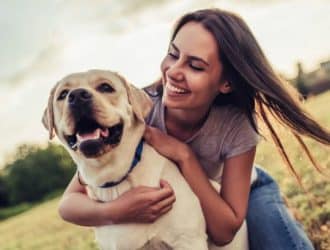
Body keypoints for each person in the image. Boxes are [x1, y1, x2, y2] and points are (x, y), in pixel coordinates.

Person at [59, 8, 329, 249]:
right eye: (173, 55)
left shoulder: (236, 126)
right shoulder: (136, 111)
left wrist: (183, 155)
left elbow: (224, 231)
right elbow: (69, 203)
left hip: (244, 191)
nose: (174, 71)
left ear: (226, 83)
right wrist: (118, 211)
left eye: (196, 65)